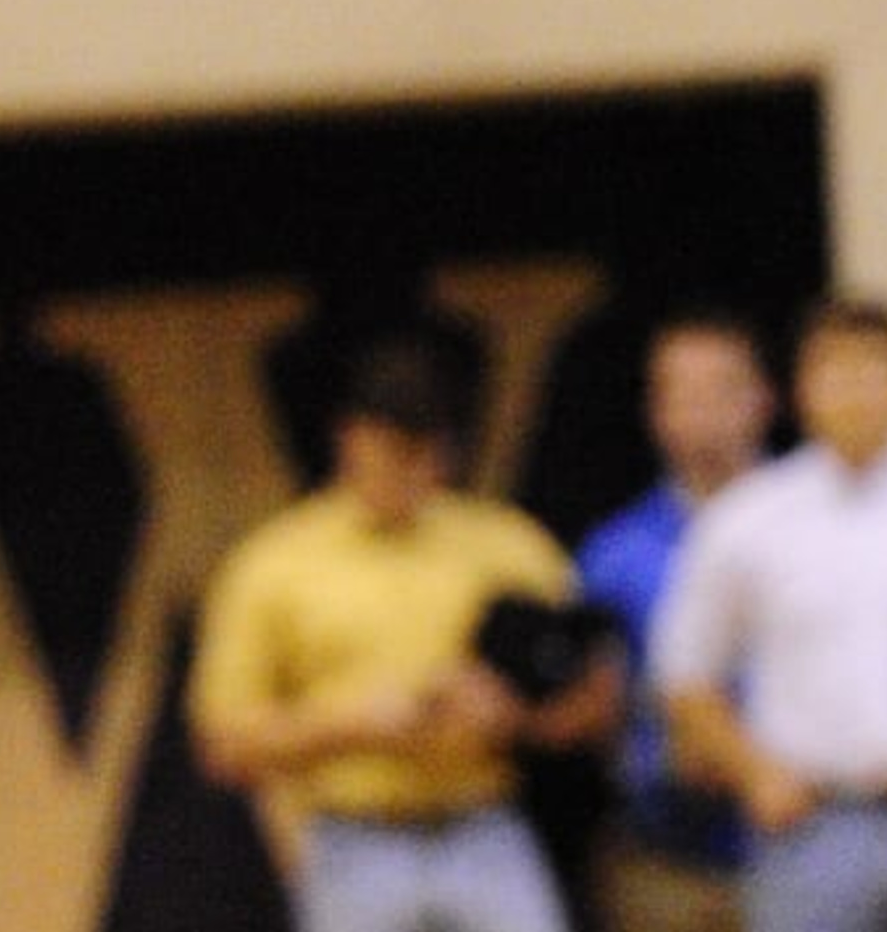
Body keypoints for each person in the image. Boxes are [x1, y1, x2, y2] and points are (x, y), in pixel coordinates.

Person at [190, 337, 620, 932]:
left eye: (431, 452)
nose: (417, 470)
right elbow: (224, 744)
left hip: (485, 826)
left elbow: (599, 698)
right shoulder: (275, 563)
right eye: (395, 451)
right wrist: (350, 724)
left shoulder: (507, 545)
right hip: (353, 836)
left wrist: (514, 719)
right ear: (350, 439)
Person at [653, 299, 887, 932]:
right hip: (814, 820)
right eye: (837, 372)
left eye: (875, 370)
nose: (858, 391)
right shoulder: (748, 516)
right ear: (800, 389)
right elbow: (685, 676)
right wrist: (757, 773)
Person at [575, 308, 779, 932]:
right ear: (655, 411)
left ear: (766, 399)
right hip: (667, 856)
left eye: (722, 390)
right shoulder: (614, 553)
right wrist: (659, 748)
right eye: (681, 394)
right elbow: (592, 712)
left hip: (811, 840)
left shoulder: (829, 527)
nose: (703, 414)